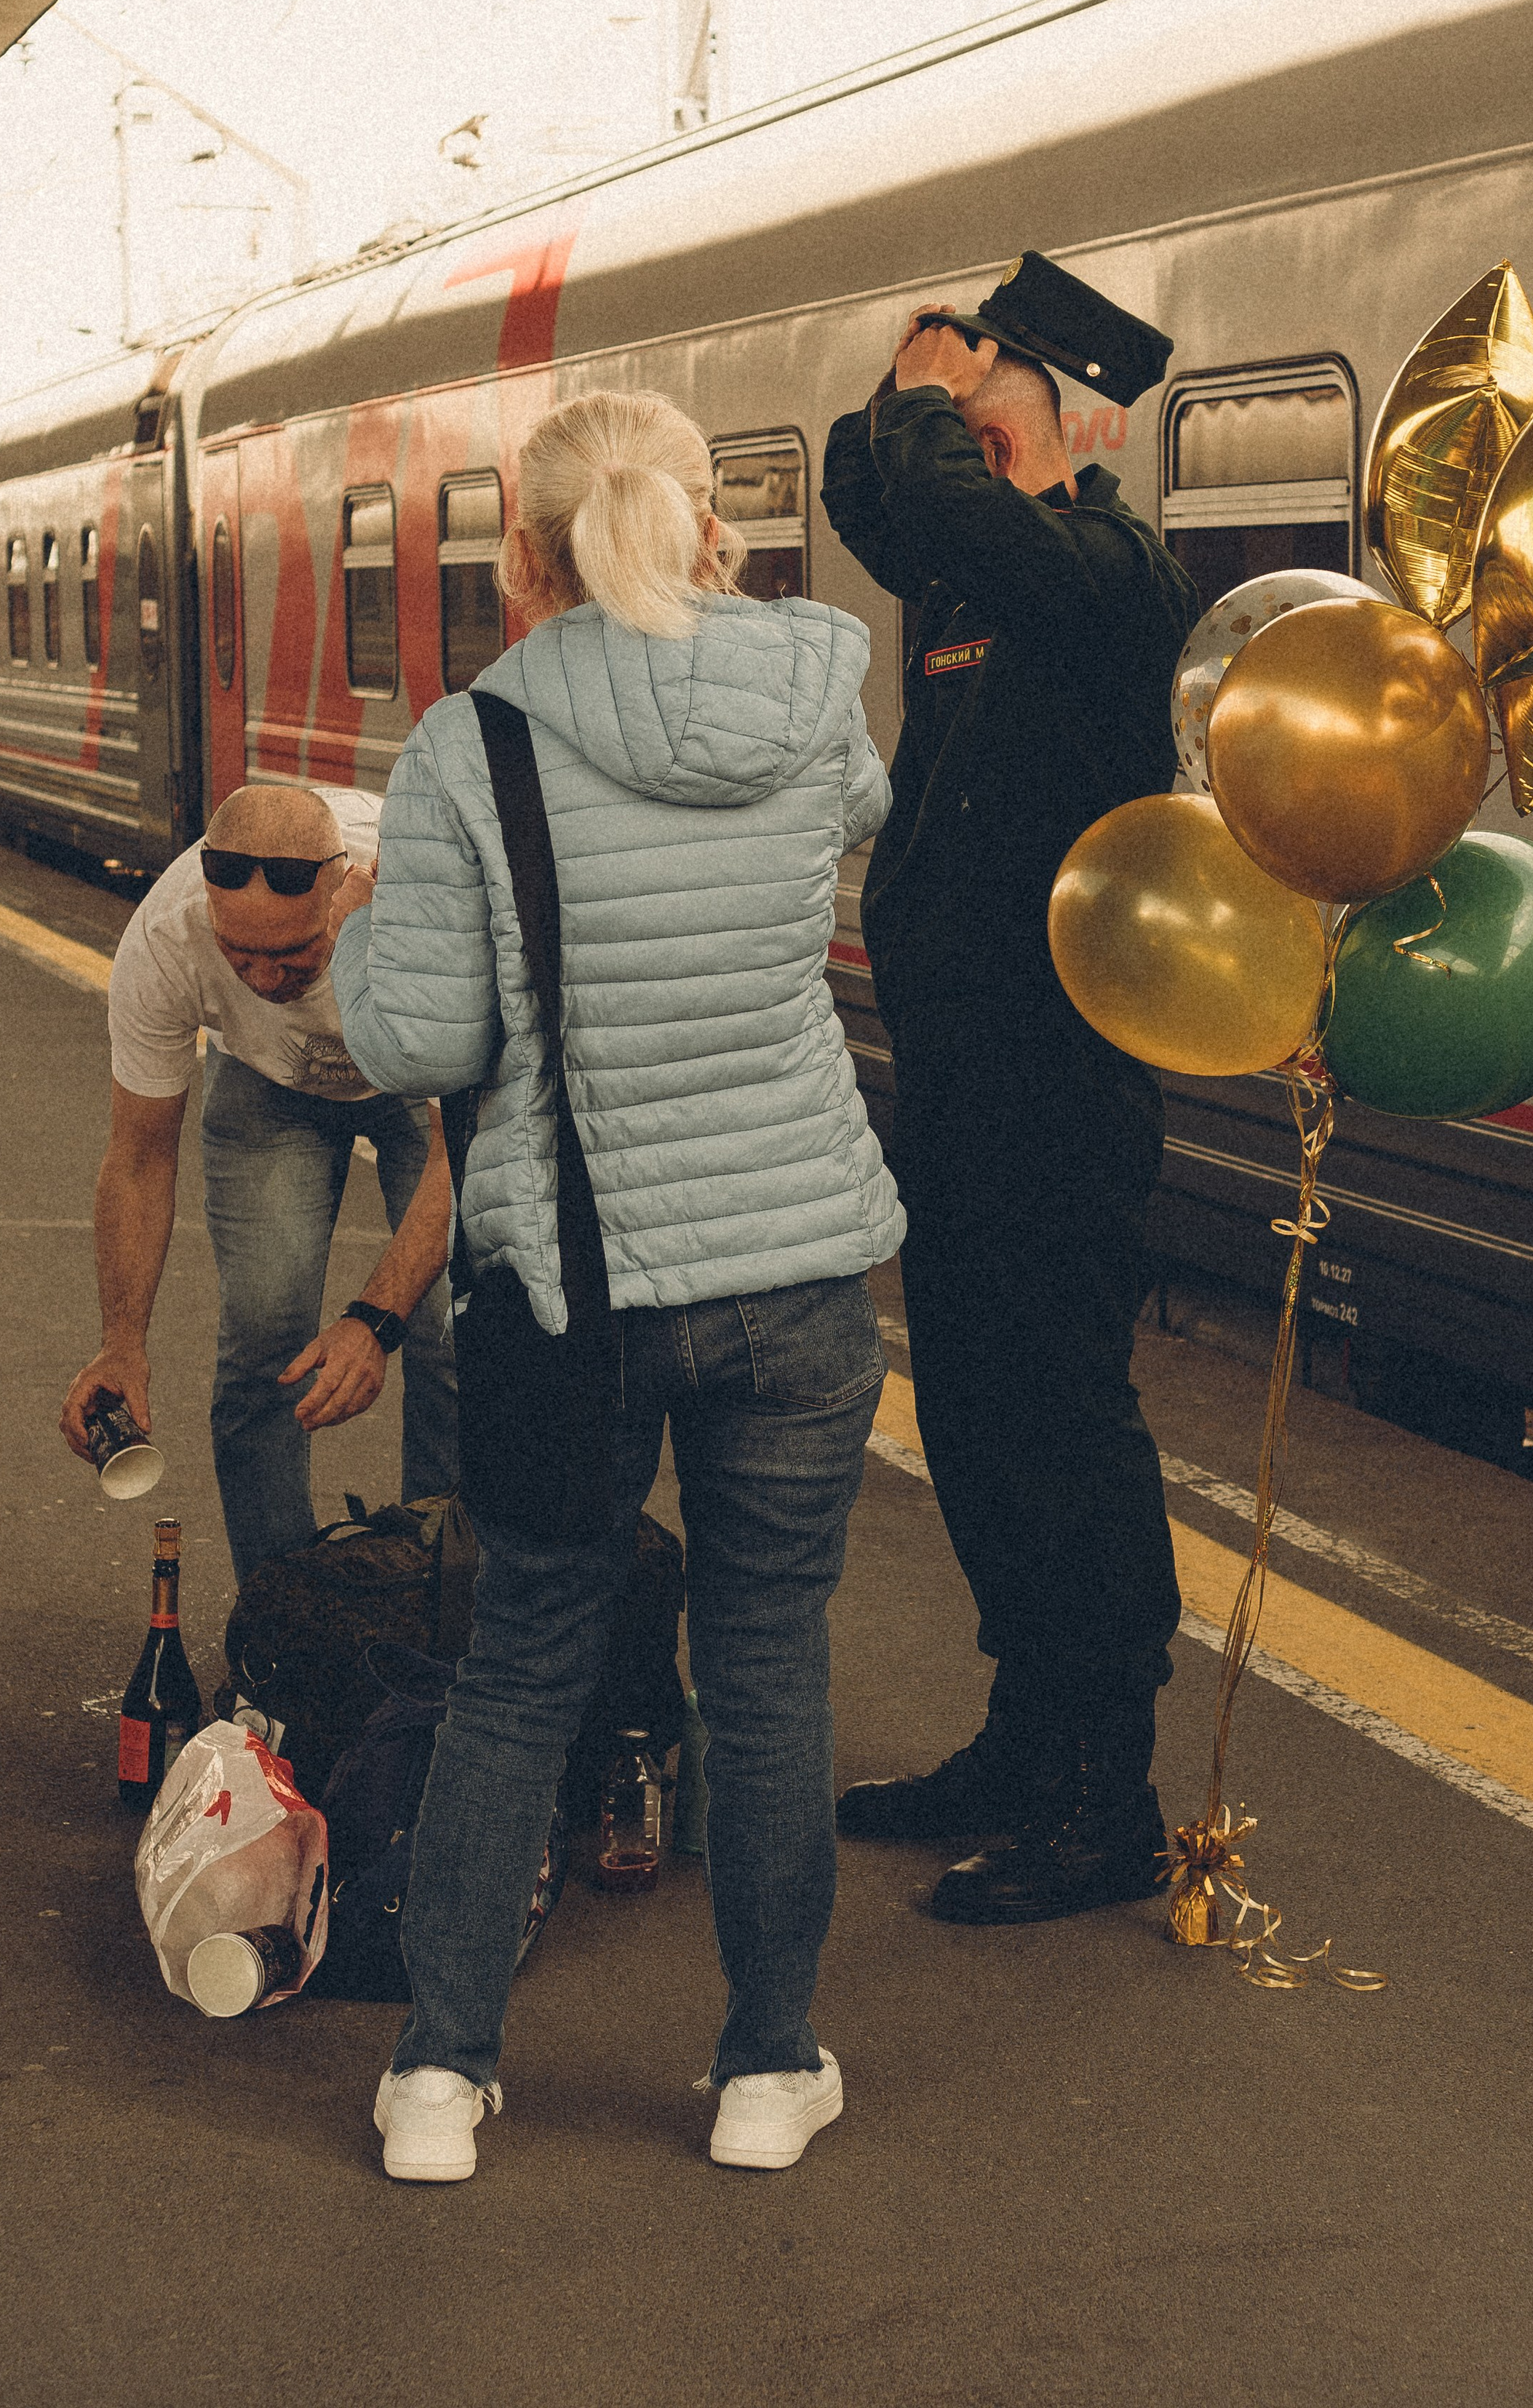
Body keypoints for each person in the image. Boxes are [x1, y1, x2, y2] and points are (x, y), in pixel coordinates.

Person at [327, 386, 901, 2183]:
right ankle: (761, 2070)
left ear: (527, 556)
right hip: (800, 1262)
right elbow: (842, 840)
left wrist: (378, 932)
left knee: (523, 1668)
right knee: (766, 1665)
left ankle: (440, 2075)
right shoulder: (818, 692)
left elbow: (417, 1031)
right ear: (712, 530)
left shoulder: (464, 742)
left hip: (576, 1284)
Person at [819, 278, 1199, 1927]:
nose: (944, 469)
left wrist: (937, 411)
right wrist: (898, 391)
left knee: (1061, 1423)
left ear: (1054, 440)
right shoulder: (966, 571)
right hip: (962, 1073)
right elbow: (862, 491)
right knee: (971, 1414)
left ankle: (1100, 1792)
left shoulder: (1104, 572)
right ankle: (1015, 1734)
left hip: (1064, 1079)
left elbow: (945, 497)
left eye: (979, 437)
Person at [60, 782, 458, 1584]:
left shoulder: (430, 910)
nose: (263, 978)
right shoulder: (165, 940)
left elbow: (470, 1158)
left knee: (456, 1329)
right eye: (239, 954)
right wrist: (122, 1342)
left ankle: (446, 1591)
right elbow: (139, 1157)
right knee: (264, 1337)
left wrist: (375, 1319)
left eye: (292, 955)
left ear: (349, 892)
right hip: (267, 1084)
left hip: (421, 1078)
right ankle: (283, 1617)